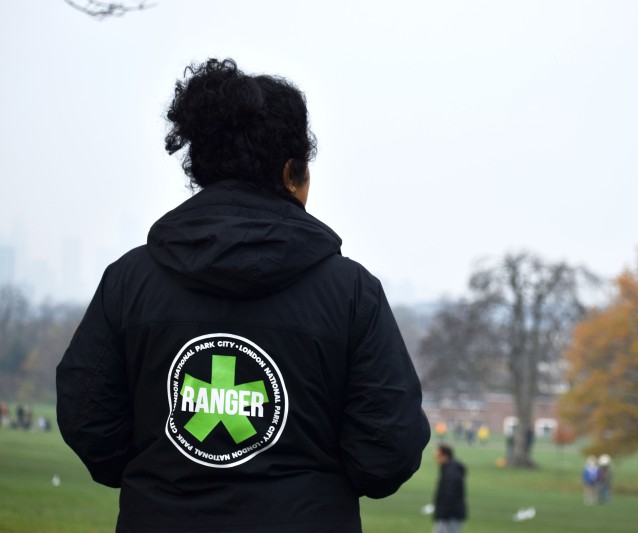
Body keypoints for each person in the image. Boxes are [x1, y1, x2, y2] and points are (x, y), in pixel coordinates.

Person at [56, 58, 430, 533]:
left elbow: (88, 420)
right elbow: (389, 451)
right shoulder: (353, 294)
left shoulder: (130, 282)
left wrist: (163, 474)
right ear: (294, 172)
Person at [432, 444, 467, 533]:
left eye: (437, 454)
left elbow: (449, 495)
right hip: (449, 514)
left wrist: (443, 514)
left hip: (450, 515)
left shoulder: (451, 472)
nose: (435, 457)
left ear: (445, 455)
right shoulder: (449, 469)